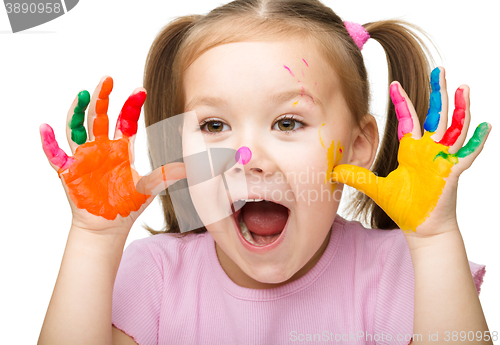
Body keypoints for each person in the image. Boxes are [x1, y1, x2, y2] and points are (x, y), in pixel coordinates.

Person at [37, 0, 493, 344]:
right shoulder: (154, 278)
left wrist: (435, 241)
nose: (247, 156)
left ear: (357, 147)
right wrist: (94, 243)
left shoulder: (401, 272)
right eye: (214, 125)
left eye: (288, 122)